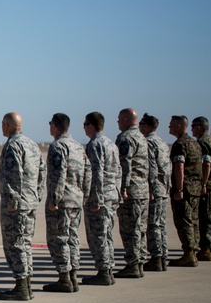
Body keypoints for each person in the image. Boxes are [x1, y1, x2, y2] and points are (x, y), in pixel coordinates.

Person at [0, 112, 46, 301]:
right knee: (25, 244)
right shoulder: (31, 144)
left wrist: (12, 203)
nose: (2, 127)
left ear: (9, 125)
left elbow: (13, 178)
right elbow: (42, 171)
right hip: (30, 202)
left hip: (16, 206)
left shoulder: (12, 145)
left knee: (15, 244)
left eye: (3, 124)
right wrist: (36, 195)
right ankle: (26, 284)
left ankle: (21, 287)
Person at [42, 113, 89, 293]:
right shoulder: (78, 146)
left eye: (50, 124)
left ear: (55, 126)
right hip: (76, 199)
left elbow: (58, 175)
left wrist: (54, 199)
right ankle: (73, 276)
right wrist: (83, 193)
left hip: (62, 201)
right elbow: (88, 172)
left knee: (59, 239)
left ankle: (64, 278)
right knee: (72, 238)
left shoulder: (58, 146)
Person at [82, 112, 121, 285]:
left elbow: (95, 172)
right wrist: (118, 193)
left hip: (100, 197)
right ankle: (108, 269)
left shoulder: (94, 145)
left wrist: (95, 199)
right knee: (107, 234)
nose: (84, 127)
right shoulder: (111, 144)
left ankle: (104, 272)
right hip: (111, 194)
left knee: (98, 236)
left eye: (85, 124)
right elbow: (118, 171)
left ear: (91, 125)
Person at [115, 108, 150, 278]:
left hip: (132, 190)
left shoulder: (126, 138)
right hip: (142, 189)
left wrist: (123, 188)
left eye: (120, 119)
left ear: (127, 119)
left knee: (130, 229)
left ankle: (133, 264)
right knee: (140, 228)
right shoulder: (143, 138)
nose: (118, 122)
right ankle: (140, 262)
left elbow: (124, 166)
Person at [168, 115, 203, 267]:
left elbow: (179, 166)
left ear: (179, 127)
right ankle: (193, 251)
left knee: (184, 222)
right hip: (195, 188)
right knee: (193, 221)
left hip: (185, 189)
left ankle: (189, 254)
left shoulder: (180, 144)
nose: (168, 127)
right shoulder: (194, 143)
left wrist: (179, 189)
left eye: (171, 125)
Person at [140, 113, 171, 271]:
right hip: (163, 187)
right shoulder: (162, 142)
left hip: (155, 188)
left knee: (153, 225)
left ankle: (157, 258)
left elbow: (151, 167)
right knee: (160, 224)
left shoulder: (149, 142)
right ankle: (163, 256)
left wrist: (151, 187)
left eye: (141, 124)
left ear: (146, 126)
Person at [191, 117, 211, 261]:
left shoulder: (203, 142)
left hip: (207, 185)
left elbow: (206, 164)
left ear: (199, 127)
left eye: (193, 126)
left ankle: (206, 249)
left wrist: (203, 184)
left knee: (205, 218)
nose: (191, 129)